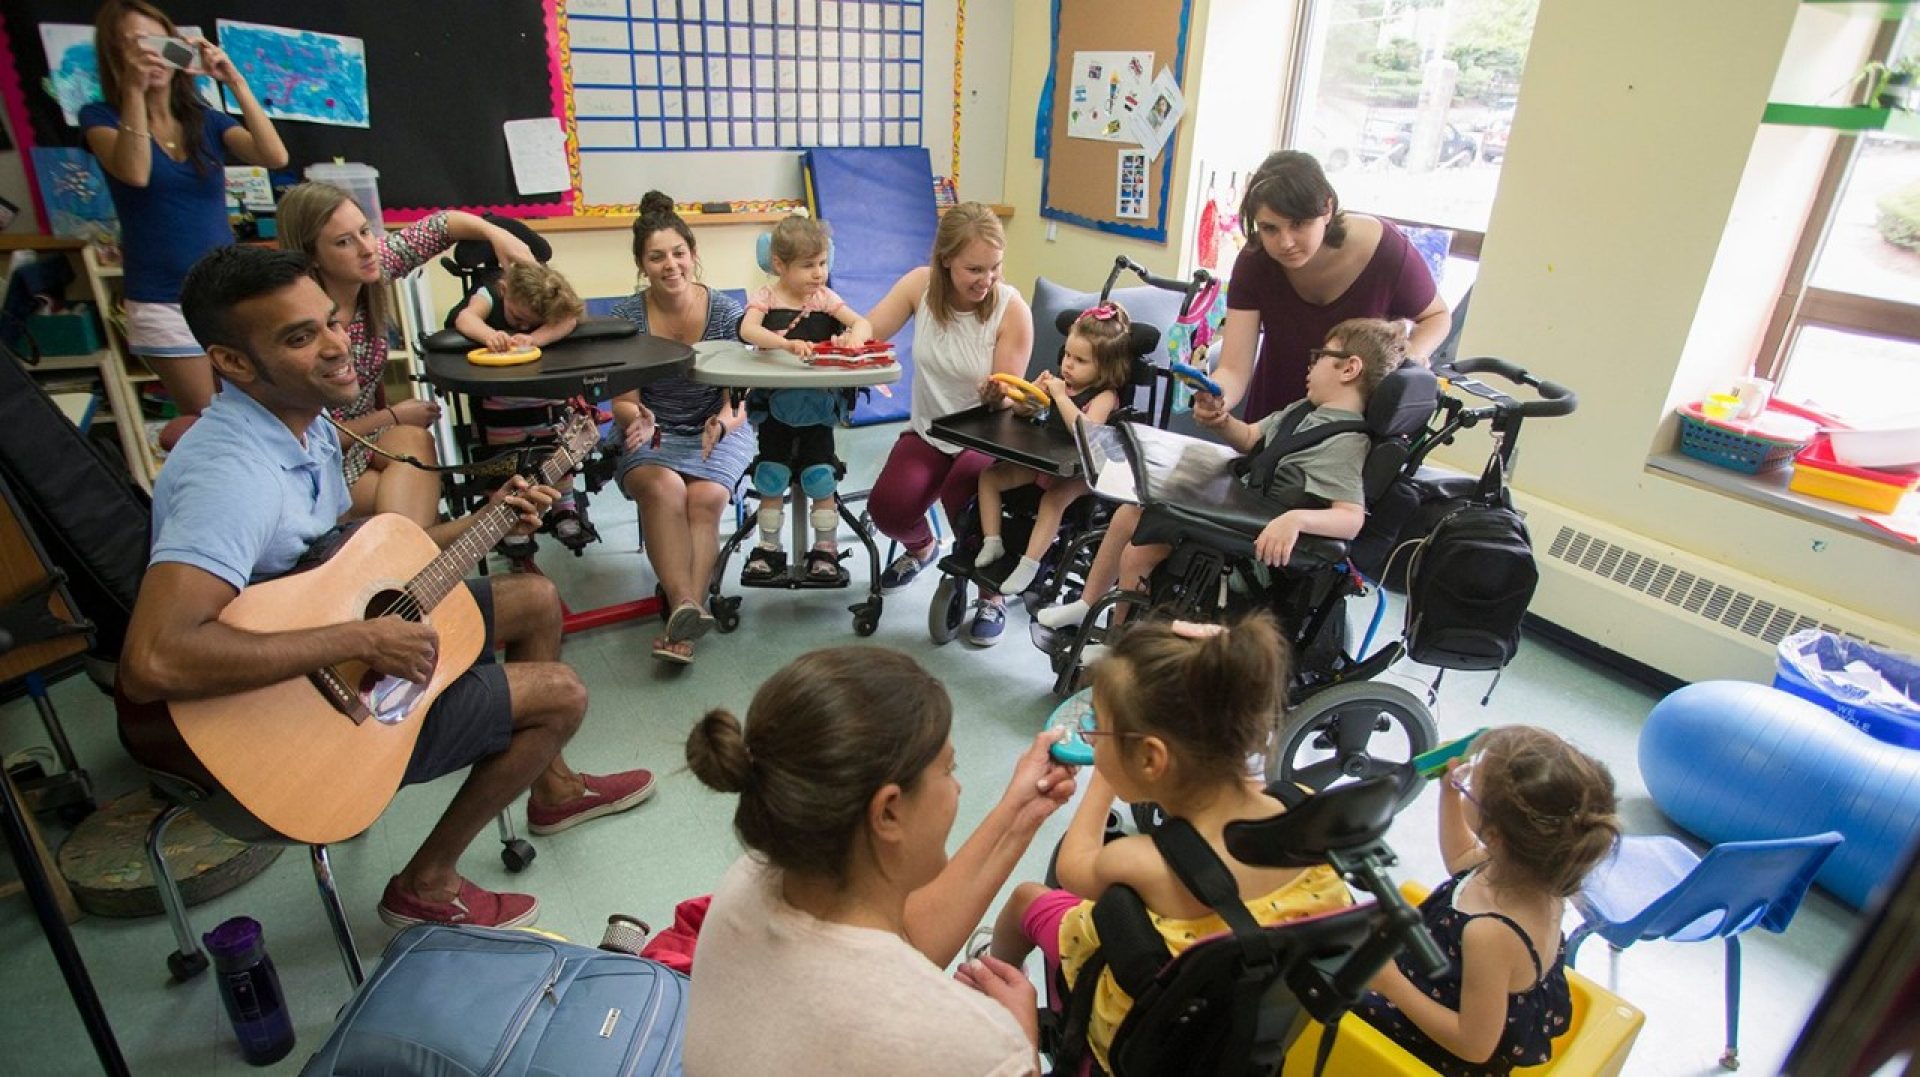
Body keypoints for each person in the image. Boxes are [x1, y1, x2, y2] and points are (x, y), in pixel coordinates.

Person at [119, 246, 656, 929]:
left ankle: (549, 784)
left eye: (332, 322)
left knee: (536, 598)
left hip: (331, 659)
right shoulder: (231, 476)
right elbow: (155, 659)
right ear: (231, 362)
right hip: (300, 729)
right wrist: (363, 636)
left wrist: (486, 518)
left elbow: (343, 561)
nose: (338, 347)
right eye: (299, 336)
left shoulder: (301, 422)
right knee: (563, 695)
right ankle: (426, 884)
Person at [683, 646, 1077, 1075]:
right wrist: (1019, 1043)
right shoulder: (974, 1047)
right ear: (888, 811)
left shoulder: (754, 878)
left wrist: (1020, 813)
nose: (959, 788)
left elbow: (897, 944)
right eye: (949, 769)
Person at [985, 614, 1352, 1074]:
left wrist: (1101, 780)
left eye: (1100, 731)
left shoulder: (1144, 861)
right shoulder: (1303, 808)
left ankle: (995, 993)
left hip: (1134, 1033)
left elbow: (1074, 867)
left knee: (1026, 900)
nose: (1093, 740)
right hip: (1240, 1005)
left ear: (1150, 758)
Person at [1037, 317, 1405, 634]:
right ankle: (1088, 603)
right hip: (1241, 505)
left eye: (1322, 356)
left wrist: (1294, 519)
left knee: (1138, 554)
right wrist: (1220, 419)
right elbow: (1248, 439)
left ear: (1349, 368)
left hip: (1254, 532)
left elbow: (1351, 518)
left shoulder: (1344, 443)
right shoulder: (1303, 411)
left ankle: (1119, 641)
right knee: (1130, 510)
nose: (1312, 365)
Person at [1355, 726, 1621, 1075]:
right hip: (1445, 988)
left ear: (1494, 835)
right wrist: (1450, 793)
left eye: (1471, 785)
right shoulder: (1531, 870)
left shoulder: (1491, 933)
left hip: (1434, 1049)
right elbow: (1462, 857)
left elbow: (1474, 1045)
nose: (1465, 777)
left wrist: (1393, 985)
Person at [277, 181, 536, 531]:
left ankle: (415, 559)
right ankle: (414, 565)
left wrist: (495, 235)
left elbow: (441, 225)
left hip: (362, 442)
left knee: (415, 442)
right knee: (407, 504)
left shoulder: (371, 270)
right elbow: (310, 437)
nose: (367, 249)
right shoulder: (303, 326)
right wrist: (394, 415)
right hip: (316, 462)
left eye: (365, 231)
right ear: (311, 256)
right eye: (343, 242)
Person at [81, 0, 288, 418]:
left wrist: (235, 82)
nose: (151, 56)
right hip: (162, 300)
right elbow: (135, 172)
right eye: (133, 46)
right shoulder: (99, 118)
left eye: (158, 43)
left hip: (226, 291)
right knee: (208, 416)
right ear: (114, 56)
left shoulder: (204, 120)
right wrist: (137, 91)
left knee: (261, 405)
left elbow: (274, 156)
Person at [864, 203, 1035, 647]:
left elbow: (1012, 397)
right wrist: (849, 337)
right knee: (888, 508)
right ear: (945, 261)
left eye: (995, 267)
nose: (987, 279)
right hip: (930, 431)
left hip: (986, 436)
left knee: (966, 492)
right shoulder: (919, 286)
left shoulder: (1010, 310)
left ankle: (990, 594)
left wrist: (998, 394)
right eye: (974, 269)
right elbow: (870, 331)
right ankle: (922, 549)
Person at [1199, 150, 1449, 427]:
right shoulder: (1255, 261)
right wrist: (1215, 398)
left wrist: (1407, 361)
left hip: (1354, 432)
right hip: (1273, 423)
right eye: (1270, 228)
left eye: (1298, 224)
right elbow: (1233, 369)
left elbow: (1437, 316)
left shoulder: (1386, 252)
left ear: (1327, 210)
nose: (1286, 242)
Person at [609, 191, 753, 666]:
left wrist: (721, 421)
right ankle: (687, 604)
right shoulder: (626, 319)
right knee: (665, 487)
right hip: (651, 428)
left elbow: (739, 402)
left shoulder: (727, 313)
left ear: (693, 255)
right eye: (657, 257)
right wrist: (641, 418)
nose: (670, 265)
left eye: (678, 253)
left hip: (716, 426)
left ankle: (682, 613)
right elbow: (625, 402)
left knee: (707, 498)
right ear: (641, 265)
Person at [736, 215, 874, 585]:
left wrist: (853, 338)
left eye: (823, 263)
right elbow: (747, 330)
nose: (818, 273)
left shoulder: (825, 299)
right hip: (774, 407)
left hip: (817, 407)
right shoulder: (766, 297)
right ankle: (768, 550)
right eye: (808, 265)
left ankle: (825, 550)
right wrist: (785, 344)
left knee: (819, 477)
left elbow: (863, 324)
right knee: (770, 476)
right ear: (779, 264)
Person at [973, 302, 1131, 596]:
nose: (1068, 364)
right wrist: (1033, 393)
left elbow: (1085, 431)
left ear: (1106, 368)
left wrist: (1060, 397)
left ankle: (1029, 564)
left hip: (1083, 471)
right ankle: (992, 541)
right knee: (989, 477)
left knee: (1053, 500)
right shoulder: (1061, 386)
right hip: (1046, 460)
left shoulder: (1105, 396)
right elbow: (1021, 413)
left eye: (1080, 360)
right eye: (1067, 355)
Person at [451, 262, 591, 552]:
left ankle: (564, 506)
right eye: (518, 318)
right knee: (504, 462)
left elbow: (569, 321)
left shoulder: (551, 302)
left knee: (555, 457)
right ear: (505, 291)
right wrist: (490, 335)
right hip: (500, 405)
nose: (523, 326)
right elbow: (465, 319)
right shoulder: (490, 293)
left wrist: (534, 339)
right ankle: (510, 518)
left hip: (544, 399)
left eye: (532, 322)